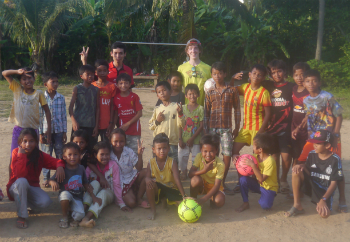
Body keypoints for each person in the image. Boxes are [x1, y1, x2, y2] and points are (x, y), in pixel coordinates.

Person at [292, 69, 347, 212]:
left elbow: (339, 115)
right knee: (300, 163)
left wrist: (335, 135)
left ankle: (342, 198)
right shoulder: (306, 100)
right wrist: (299, 128)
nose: (311, 83)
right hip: (313, 138)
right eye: (308, 81)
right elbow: (309, 115)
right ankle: (302, 194)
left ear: (320, 82)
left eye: (314, 80)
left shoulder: (327, 97)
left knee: (337, 169)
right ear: (303, 83)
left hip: (330, 138)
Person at [6, 128, 65, 229]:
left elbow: (55, 161)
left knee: (45, 201)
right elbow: (20, 174)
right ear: (20, 142)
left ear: (36, 142)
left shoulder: (39, 155)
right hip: (15, 187)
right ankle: (21, 216)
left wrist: (59, 166)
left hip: (31, 187)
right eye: (25, 141)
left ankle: (25, 204)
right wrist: (22, 155)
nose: (28, 144)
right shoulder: (16, 153)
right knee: (22, 181)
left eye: (31, 141)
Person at [285, 130, 344, 218]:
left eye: (318, 143)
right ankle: (297, 205)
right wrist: (301, 166)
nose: (314, 145)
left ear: (327, 145)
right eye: (314, 142)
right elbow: (309, 171)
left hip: (324, 191)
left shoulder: (335, 159)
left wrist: (323, 199)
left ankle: (320, 201)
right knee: (296, 171)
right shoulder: (312, 154)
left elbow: (333, 183)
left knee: (325, 215)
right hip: (312, 185)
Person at [2, 68, 52, 171]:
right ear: (20, 81)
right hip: (19, 130)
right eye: (24, 79)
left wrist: (48, 128)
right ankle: (11, 182)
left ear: (34, 79)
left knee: (33, 158)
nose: (27, 81)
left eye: (30, 78)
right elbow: (4, 73)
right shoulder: (17, 88)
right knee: (14, 157)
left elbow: (47, 111)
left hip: (33, 130)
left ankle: (32, 181)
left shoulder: (38, 93)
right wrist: (17, 72)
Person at [232, 64, 272, 191]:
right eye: (254, 73)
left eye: (259, 75)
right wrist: (233, 78)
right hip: (245, 128)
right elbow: (231, 89)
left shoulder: (264, 93)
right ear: (249, 74)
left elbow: (268, 114)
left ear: (263, 78)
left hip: (258, 128)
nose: (256, 76)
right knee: (234, 151)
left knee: (256, 156)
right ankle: (241, 181)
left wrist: (261, 132)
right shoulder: (245, 87)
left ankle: (255, 182)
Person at [204, 62, 241, 194]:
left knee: (227, 155)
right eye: (214, 73)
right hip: (212, 129)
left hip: (226, 129)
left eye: (220, 73)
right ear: (211, 75)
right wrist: (205, 130)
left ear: (225, 74)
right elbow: (206, 113)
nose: (217, 76)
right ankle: (211, 182)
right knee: (212, 155)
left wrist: (237, 127)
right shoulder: (209, 92)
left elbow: (237, 110)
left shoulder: (232, 90)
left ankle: (222, 182)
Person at [262, 59, 294, 194]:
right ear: (270, 74)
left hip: (287, 127)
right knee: (274, 157)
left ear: (285, 72)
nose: (276, 74)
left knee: (286, 157)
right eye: (273, 72)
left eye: (279, 71)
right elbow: (253, 78)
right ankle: (275, 180)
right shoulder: (268, 85)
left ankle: (283, 179)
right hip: (271, 128)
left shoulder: (291, 86)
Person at [79, 141, 128, 228]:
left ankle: (86, 218)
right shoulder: (91, 167)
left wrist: (121, 203)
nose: (105, 157)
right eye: (102, 154)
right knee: (94, 183)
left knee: (103, 193)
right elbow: (84, 182)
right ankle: (82, 210)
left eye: (107, 154)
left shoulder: (113, 166)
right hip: (92, 193)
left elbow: (116, 185)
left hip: (108, 192)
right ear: (95, 155)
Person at [145, 133, 187, 220]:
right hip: (159, 188)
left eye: (164, 148)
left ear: (168, 149)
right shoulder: (150, 162)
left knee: (182, 206)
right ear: (153, 150)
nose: (162, 151)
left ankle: (166, 199)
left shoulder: (172, 162)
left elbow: (177, 179)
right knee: (149, 185)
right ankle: (153, 210)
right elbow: (147, 177)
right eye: (159, 148)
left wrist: (184, 196)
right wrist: (147, 179)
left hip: (170, 188)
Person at [49, 142, 90, 228]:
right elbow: (51, 179)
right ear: (64, 157)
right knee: (65, 195)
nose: (72, 157)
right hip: (66, 194)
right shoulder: (62, 169)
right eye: (69, 155)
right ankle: (64, 217)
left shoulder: (81, 168)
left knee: (81, 215)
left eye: (75, 154)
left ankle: (71, 211)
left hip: (78, 197)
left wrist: (90, 191)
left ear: (79, 155)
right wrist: (53, 182)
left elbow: (85, 182)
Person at [235, 133, 278, 212]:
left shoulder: (270, 161)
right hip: (258, 185)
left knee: (265, 205)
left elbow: (261, 179)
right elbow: (245, 162)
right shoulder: (254, 157)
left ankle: (268, 197)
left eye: (254, 146)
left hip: (269, 188)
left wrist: (253, 166)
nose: (253, 148)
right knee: (243, 180)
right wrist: (238, 160)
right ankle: (245, 203)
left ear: (260, 149)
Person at [39, 71, 67, 188]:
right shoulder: (41, 98)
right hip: (46, 132)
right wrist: (40, 133)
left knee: (60, 154)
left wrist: (65, 131)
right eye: (52, 82)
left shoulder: (61, 98)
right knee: (46, 154)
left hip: (59, 131)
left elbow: (64, 116)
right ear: (46, 84)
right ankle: (46, 178)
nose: (55, 84)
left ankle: (59, 175)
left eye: (57, 82)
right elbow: (39, 117)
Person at [109, 128, 149, 209]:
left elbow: (139, 168)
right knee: (131, 203)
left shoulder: (128, 151)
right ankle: (131, 193)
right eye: (115, 141)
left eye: (121, 141)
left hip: (131, 176)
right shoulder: (108, 153)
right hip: (119, 183)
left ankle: (139, 198)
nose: (118, 144)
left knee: (147, 171)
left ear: (125, 141)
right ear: (110, 141)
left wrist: (139, 154)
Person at [149, 81, 185, 163]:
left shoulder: (177, 107)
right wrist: (157, 121)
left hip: (172, 143)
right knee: (158, 164)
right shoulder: (157, 109)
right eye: (159, 92)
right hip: (158, 143)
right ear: (157, 96)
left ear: (171, 91)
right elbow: (150, 126)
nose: (162, 93)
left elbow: (182, 125)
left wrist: (180, 114)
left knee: (173, 165)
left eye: (164, 90)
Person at [188, 134, 225, 208]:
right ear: (201, 149)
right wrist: (204, 170)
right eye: (205, 151)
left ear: (216, 150)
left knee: (219, 201)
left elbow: (217, 185)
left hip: (213, 186)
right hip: (202, 185)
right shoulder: (199, 156)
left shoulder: (220, 164)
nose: (208, 155)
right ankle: (193, 200)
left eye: (211, 151)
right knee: (195, 180)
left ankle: (211, 198)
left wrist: (204, 198)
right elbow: (190, 174)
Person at [69, 64, 100, 150]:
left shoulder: (96, 90)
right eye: (88, 74)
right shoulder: (77, 89)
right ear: (81, 76)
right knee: (75, 148)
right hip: (78, 125)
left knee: (90, 149)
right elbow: (70, 107)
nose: (90, 76)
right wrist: (73, 121)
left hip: (91, 125)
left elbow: (97, 108)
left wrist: (96, 126)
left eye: (92, 74)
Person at [113, 73, 143, 154]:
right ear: (117, 85)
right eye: (121, 83)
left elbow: (139, 113)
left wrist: (128, 124)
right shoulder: (116, 98)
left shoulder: (135, 97)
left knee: (135, 155)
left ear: (130, 84)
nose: (123, 85)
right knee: (123, 155)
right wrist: (112, 127)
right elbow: (116, 114)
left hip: (134, 132)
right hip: (122, 132)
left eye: (126, 83)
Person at [178, 84, 204, 180]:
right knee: (182, 157)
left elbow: (201, 126)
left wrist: (193, 138)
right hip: (183, 139)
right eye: (189, 94)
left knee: (195, 159)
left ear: (198, 95)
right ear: (186, 96)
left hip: (196, 140)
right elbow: (180, 125)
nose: (192, 96)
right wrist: (180, 139)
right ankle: (183, 172)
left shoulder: (200, 109)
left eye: (194, 94)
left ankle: (192, 172)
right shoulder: (182, 108)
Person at [178, 39, 211, 106]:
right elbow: (176, 88)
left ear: (200, 50)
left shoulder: (208, 68)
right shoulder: (181, 68)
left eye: (196, 48)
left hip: (202, 108)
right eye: (190, 49)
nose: (193, 51)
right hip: (186, 108)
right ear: (187, 51)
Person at [91, 59, 117, 141]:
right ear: (95, 72)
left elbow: (113, 106)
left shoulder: (112, 86)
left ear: (108, 71)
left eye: (104, 70)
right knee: (92, 147)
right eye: (99, 71)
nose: (102, 73)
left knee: (106, 148)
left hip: (106, 123)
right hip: (93, 123)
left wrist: (111, 123)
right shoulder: (92, 86)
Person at [291, 62, 310, 162]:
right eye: (296, 75)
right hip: (294, 128)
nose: (299, 77)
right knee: (295, 155)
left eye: (302, 74)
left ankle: (305, 177)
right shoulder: (294, 89)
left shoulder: (310, 90)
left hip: (307, 129)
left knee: (306, 156)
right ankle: (296, 176)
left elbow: (310, 113)